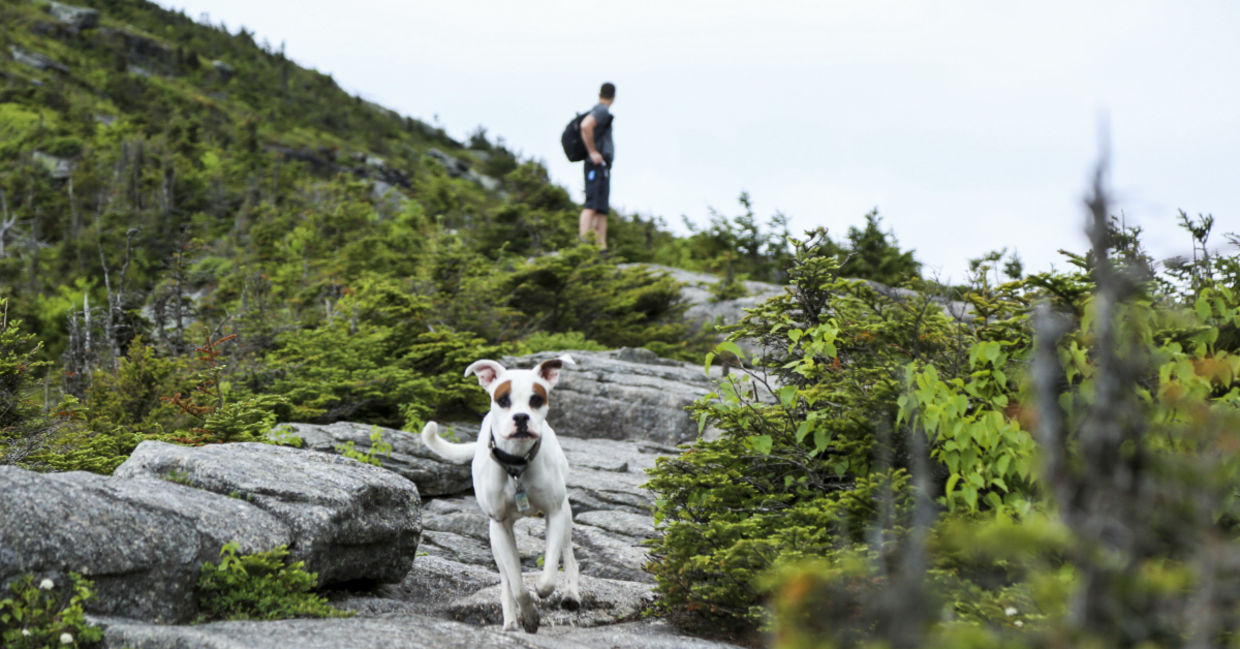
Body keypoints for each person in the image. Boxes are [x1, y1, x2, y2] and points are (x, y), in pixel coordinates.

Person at [578, 82, 615, 248]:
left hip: (602, 167)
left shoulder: (601, 110)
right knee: (592, 205)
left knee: (601, 209)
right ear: (613, 97)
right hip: (595, 165)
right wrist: (592, 151)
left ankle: (602, 248)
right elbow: (585, 125)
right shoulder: (601, 111)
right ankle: (584, 243)